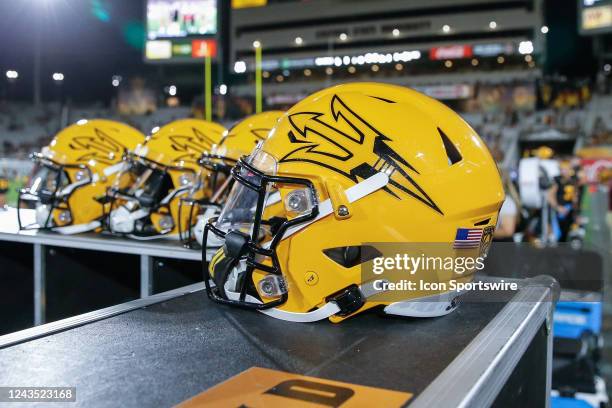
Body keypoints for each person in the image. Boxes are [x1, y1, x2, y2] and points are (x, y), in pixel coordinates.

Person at [547, 160, 579, 241]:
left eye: (566, 169)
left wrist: (575, 210)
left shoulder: (573, 179)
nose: (564, 171)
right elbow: (550, 196)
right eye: (562, 169)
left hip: (569, 211)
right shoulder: (557, 180)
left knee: (566, 234)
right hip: (558, 211)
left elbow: (575, 195)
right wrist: (558, 207)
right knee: (556, 235)